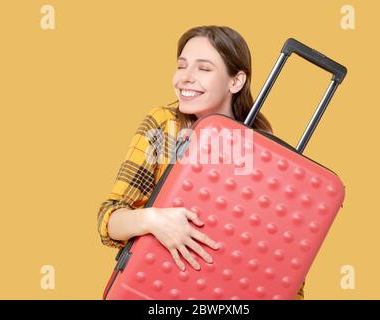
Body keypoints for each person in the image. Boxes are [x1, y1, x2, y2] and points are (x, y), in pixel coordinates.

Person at [97, 25, 305, 300]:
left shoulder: (265, 150)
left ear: (236, 81)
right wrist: (152, 219)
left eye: (204, 69)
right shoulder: (164, 126)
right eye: (182, 66)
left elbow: (283, 261)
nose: (185, 78)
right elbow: (109, 219)